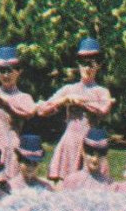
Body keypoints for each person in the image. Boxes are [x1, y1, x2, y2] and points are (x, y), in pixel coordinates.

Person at [39, 37, 114, 183]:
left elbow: (104, 109)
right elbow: (42, 110)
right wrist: (63, 101)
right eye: (83, 63)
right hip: (70, 143)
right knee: (65, 185)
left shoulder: (101, 91)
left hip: (93, 145)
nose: (87, 68)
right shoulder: (69, 89)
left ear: (98, 65)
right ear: (78, 64)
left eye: (91, 63)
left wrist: (82, 103)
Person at [0, 47, 38, 187]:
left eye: (10, 70)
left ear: (18, 71)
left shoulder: (23, 97)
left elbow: (29, 112)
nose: (6, 75)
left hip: (11, 148)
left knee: (10, 187)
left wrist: (5, 103)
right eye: (2, 71)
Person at [61, 128, 116, 193]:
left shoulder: (109, 184)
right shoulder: (72, 180)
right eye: (90, 153)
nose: (95, 159)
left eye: (100, 154)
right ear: (83, 152)